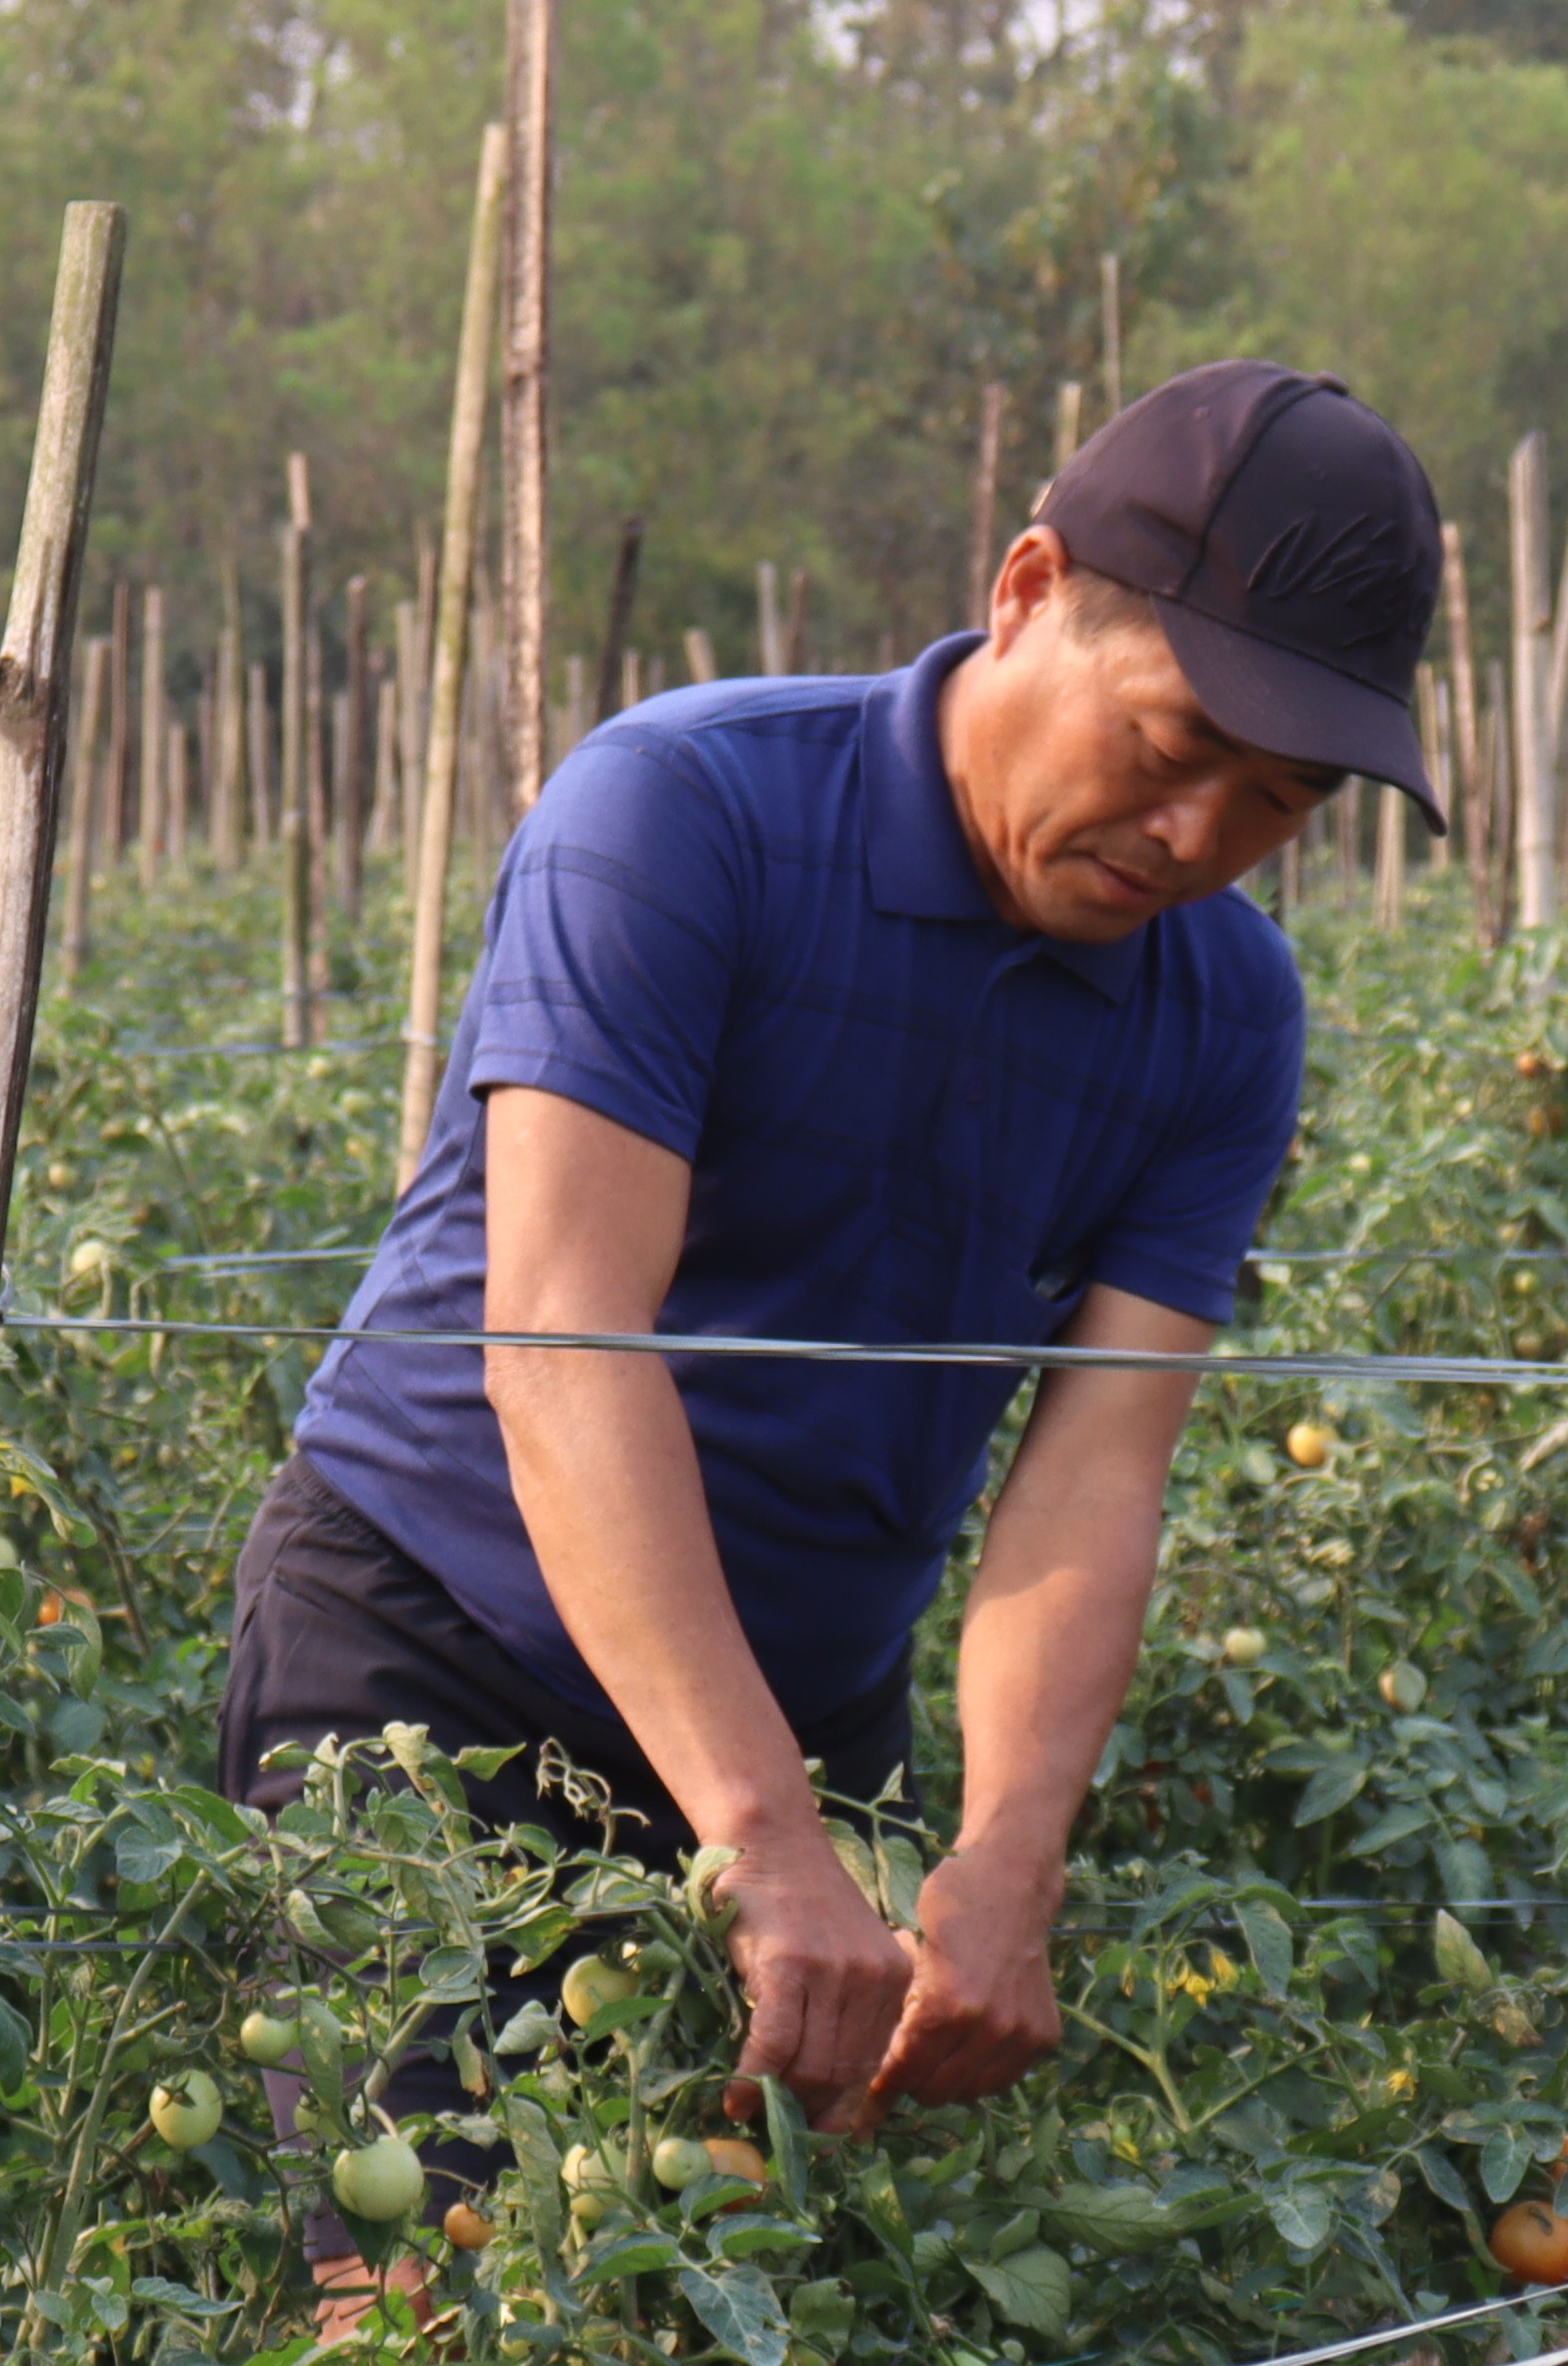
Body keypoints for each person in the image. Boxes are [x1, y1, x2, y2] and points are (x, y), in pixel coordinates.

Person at [222, 360, 1442, 2153]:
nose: (1200, 841)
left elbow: (1096, 1471)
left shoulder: (1228, 1010)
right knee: (411, 2321)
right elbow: (564, 1339)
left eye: (1277, 806)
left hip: (804, 1712)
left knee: (729, 2358)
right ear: (1026, 592)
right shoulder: (685, 814)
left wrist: (1006, 1858)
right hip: (435, 1656)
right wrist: (763, 1841)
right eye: (1173, 748)